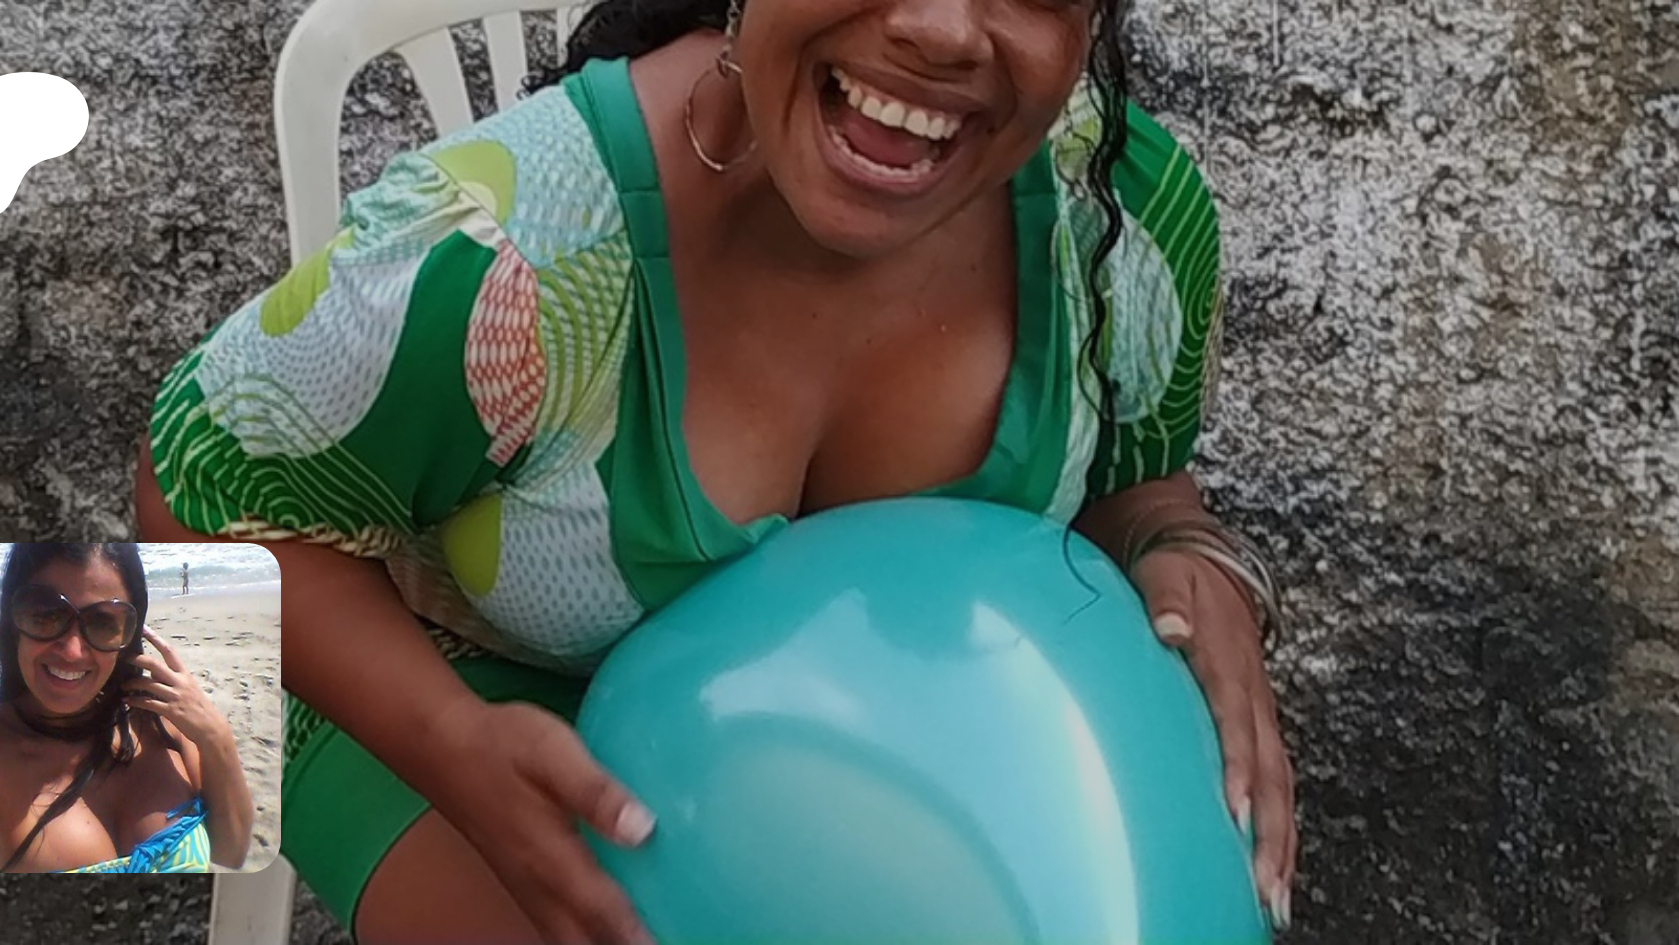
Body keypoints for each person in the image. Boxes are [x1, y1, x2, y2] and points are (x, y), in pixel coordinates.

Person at [136, 0, 1295, 939]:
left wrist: (1185, 549)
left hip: (797, 749)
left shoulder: (1118, 223)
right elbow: (184, 497)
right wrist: (451, 744)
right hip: (419, 676)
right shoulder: (510, 254)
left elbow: (1135, 484)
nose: (943, 28)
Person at [0, 543, 254, 873]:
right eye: (46, 615)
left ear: (128, 634)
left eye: (102, 622)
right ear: (13, 621)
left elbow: (231, 852)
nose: (72, 651)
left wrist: (217, 737)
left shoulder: (166, 723)